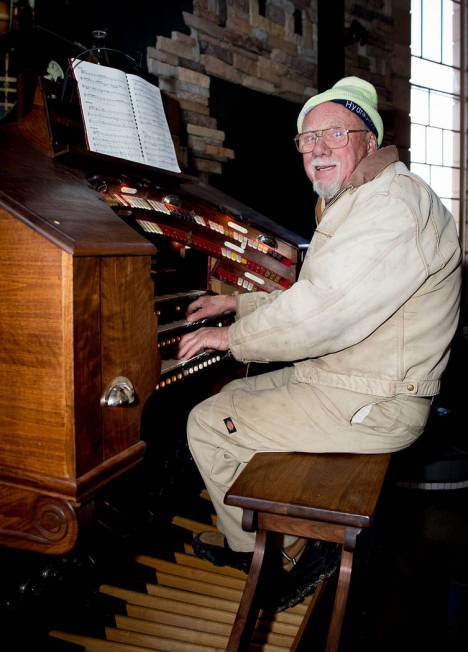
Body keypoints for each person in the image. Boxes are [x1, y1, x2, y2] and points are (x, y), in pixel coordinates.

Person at [176, 76, 462, 608]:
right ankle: (283, 531)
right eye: (308, 139)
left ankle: (270, 560)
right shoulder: (364, 197)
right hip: (349, 376)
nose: (318, 149)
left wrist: (232, 337)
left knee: (207, 425)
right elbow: (323, 296)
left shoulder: (391, 207)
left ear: (369, 142)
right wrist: (238, 304)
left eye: (335, 133)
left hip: (375, 400)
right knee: (230, 400)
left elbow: (322, 312)